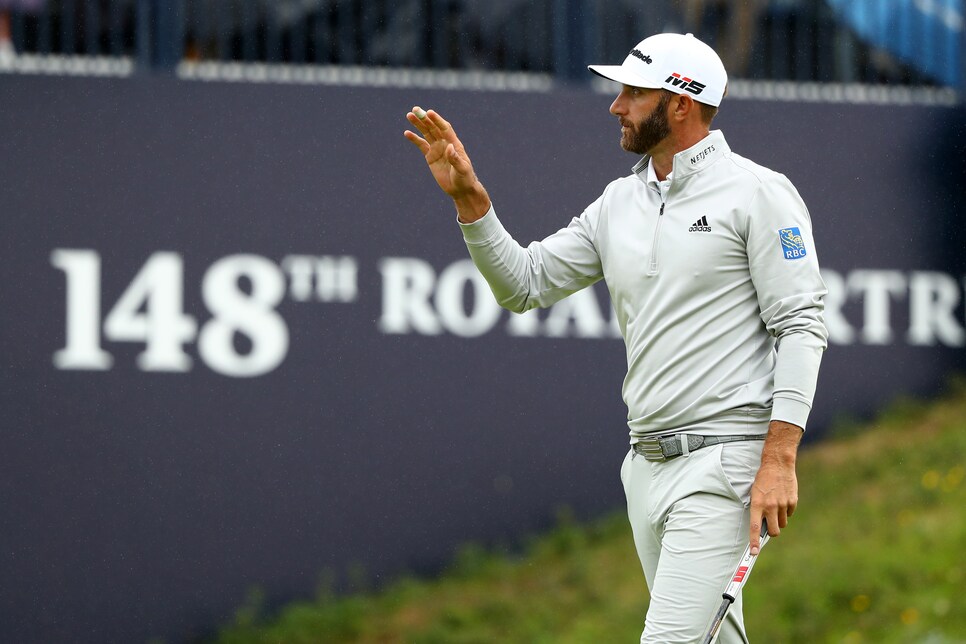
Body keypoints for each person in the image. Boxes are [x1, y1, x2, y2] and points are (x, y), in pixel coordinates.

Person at [404, 32, 827, 643]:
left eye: (632, 91)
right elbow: (525, 284)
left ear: (680, 103)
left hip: (723, 466)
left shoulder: (759, 194)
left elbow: (801, 324)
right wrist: (472, 201)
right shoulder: (618, 202)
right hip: (645, 469)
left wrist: (780, 458)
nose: (616, 105)